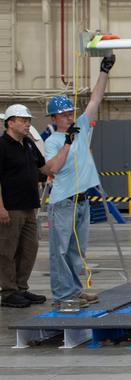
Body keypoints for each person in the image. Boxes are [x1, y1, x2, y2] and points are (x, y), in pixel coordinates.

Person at [42, 53, 115, 305]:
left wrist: (104, 71)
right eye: (63, 115)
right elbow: (52, 168)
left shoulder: (82, 128)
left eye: (69, 113)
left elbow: (95, 99)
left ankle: (73, 291)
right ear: (53, 119)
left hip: (83, 201)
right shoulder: (51, 141)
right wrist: (67, 142)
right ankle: (63, 296)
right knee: (60, 251)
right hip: (63, 202)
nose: (68, 117)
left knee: (76, 252)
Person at [0, 104, 53, 307]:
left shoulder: (28, 145)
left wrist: (68, 152)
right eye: (23, 121)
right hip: (10, 208)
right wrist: (1, 208)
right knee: (7, 250)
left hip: (29, 206)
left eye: (28, 120)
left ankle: (21, 288)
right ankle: (8, 292)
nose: (27, 124)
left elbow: (44, 168)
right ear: (10, 123)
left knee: (29, 248)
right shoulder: (2, 146)